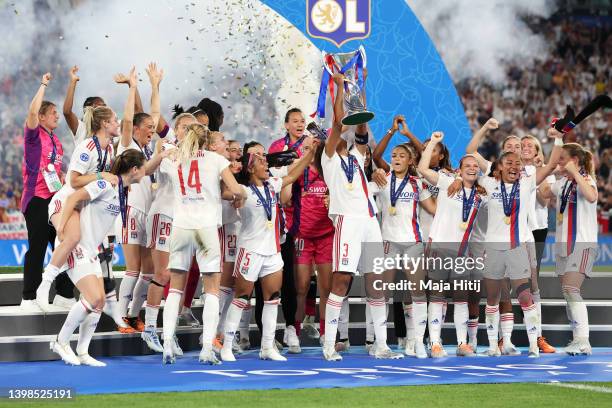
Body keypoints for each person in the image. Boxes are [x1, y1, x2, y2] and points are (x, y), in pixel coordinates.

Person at [319, 73, 403, 361]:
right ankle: (329, 345)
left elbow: (362, 120)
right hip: (347, 221)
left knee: (375, 282)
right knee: (341, 281)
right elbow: (338, 122)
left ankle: (381, 345)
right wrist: (341, 87)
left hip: (370, 222)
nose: (346, 134)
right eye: (342, 133)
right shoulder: (329, 157)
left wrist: (359, 84)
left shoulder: (357, 155)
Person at [219, 136, 318, 362]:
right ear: (251, 167)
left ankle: (267, 347)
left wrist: (310, 155)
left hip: (273, 252)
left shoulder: (272, 184)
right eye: (262, 161)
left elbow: (292, 174)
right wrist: (230, 169)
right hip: (250, 251)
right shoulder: (243, 190)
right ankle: (226, 345)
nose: (267, 164)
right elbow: (224, 191)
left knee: (273, 298)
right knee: (242, 297)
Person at [50, 149, 146, 366]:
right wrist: (62, 229)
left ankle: (83, 351)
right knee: (94, 298)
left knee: (100, 301)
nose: (145, 171)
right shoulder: (106, 184)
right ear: (134, 169)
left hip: (93, 248)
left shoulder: (121, 190)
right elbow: (74, 196)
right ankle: (60, 341)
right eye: (144, 167)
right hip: (78, 245)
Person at [160, 123, 245, 365]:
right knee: (212, 290)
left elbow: (157, 163)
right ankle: (207, 349)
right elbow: (235, 189)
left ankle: (167, 344)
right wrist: (243, 194)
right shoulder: (216, 160)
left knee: (176, 289)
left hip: (181, 226)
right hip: (206, 228)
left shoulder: (175, 158)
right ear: (207, 142)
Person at [475, 127, 563, 358]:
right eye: (509, 163)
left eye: (518, 164)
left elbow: (552, 164)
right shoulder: (488, 183)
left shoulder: (526, 184)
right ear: (500, 167)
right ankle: (494, 346)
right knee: (493, 298)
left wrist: (559, 139)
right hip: (493, 249)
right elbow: (471, 152)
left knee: (525, 296)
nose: (515, 167)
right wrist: (485, 129)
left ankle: (534, 344)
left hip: (517, 248)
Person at [419, 134, 487, 358]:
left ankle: (461, 343)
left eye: (475, 166)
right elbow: (422, 169)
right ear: (459, 169)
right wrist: (430, 145)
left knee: (461, 298)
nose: (472, 168)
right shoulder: (448, 181)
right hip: (439, 246)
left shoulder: (480, 195)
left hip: (462, 252)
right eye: (467, 165)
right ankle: (435, 343)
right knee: (437, 296)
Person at [370, 140, 436, 358]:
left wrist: (454, 189)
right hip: (389, 242)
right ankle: (381, 343)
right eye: (394, 155)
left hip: (413, 243)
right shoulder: (381, 180)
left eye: (401, 155)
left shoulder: (418, 184)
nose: (396, 158)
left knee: (417, 293)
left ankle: (417, 342)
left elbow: (434, 209)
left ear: (410, 161)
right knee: (382, 292)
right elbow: (363, 197)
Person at [115, 63, 166, 332]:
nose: (152, 129)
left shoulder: (146, 149)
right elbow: (126, 121)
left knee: (148, 271)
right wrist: (133, 88)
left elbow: (154, 114)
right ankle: (119, 317)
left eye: (152, 127)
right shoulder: (128, 145)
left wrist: (155, 85)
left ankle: (134, 314)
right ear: (135, 129)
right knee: (133, 269)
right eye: (147, 127)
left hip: (149, 211)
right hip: (132, 210)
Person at [141, 113, 197, 352]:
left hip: (182, 221)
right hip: (163, 214)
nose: (187, 131)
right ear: (176, 130)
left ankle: (168, 332)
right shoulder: (169, 149)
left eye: (192, 128)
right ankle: (150, 329)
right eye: (184, 127)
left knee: (177, 277)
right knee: (162, 273)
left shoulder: (198, 156)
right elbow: (173, 176)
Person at [20, 72, 70, 311]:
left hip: (54, 199)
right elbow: (31, 113)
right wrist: (43, 84)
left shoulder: (57, 141)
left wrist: (61, 180)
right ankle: (28, 297)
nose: (57, 116)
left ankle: (63, 294)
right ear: (41, 117)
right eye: (52, 113)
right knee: (38, 246)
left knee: (62, 244)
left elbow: (55, 169)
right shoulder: (33, 135)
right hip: (36, 198)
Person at [553, 143, 598, 356]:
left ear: (575, 161)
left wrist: (574, 173)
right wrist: (550, 171)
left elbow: (591, 196)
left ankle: (583, 340)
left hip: (582, 242)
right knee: (567, 293)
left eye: (562, 159)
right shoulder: (561, 183)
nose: (559, 162)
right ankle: (577, 339)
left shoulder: (586, 180)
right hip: (563, 245)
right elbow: (543, 193)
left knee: (572, 290)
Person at [521, 134, 557, 353]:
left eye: (529, 145)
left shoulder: (544, 170)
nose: (525, 147)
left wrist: (539, 172)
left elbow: (545, 199)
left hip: (536, 230)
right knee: (508, 284)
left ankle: (537, 337)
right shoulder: (509, 169)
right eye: (522, 145)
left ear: (536, 151)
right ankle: (502, 339)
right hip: (512, 229)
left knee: (532, 283)